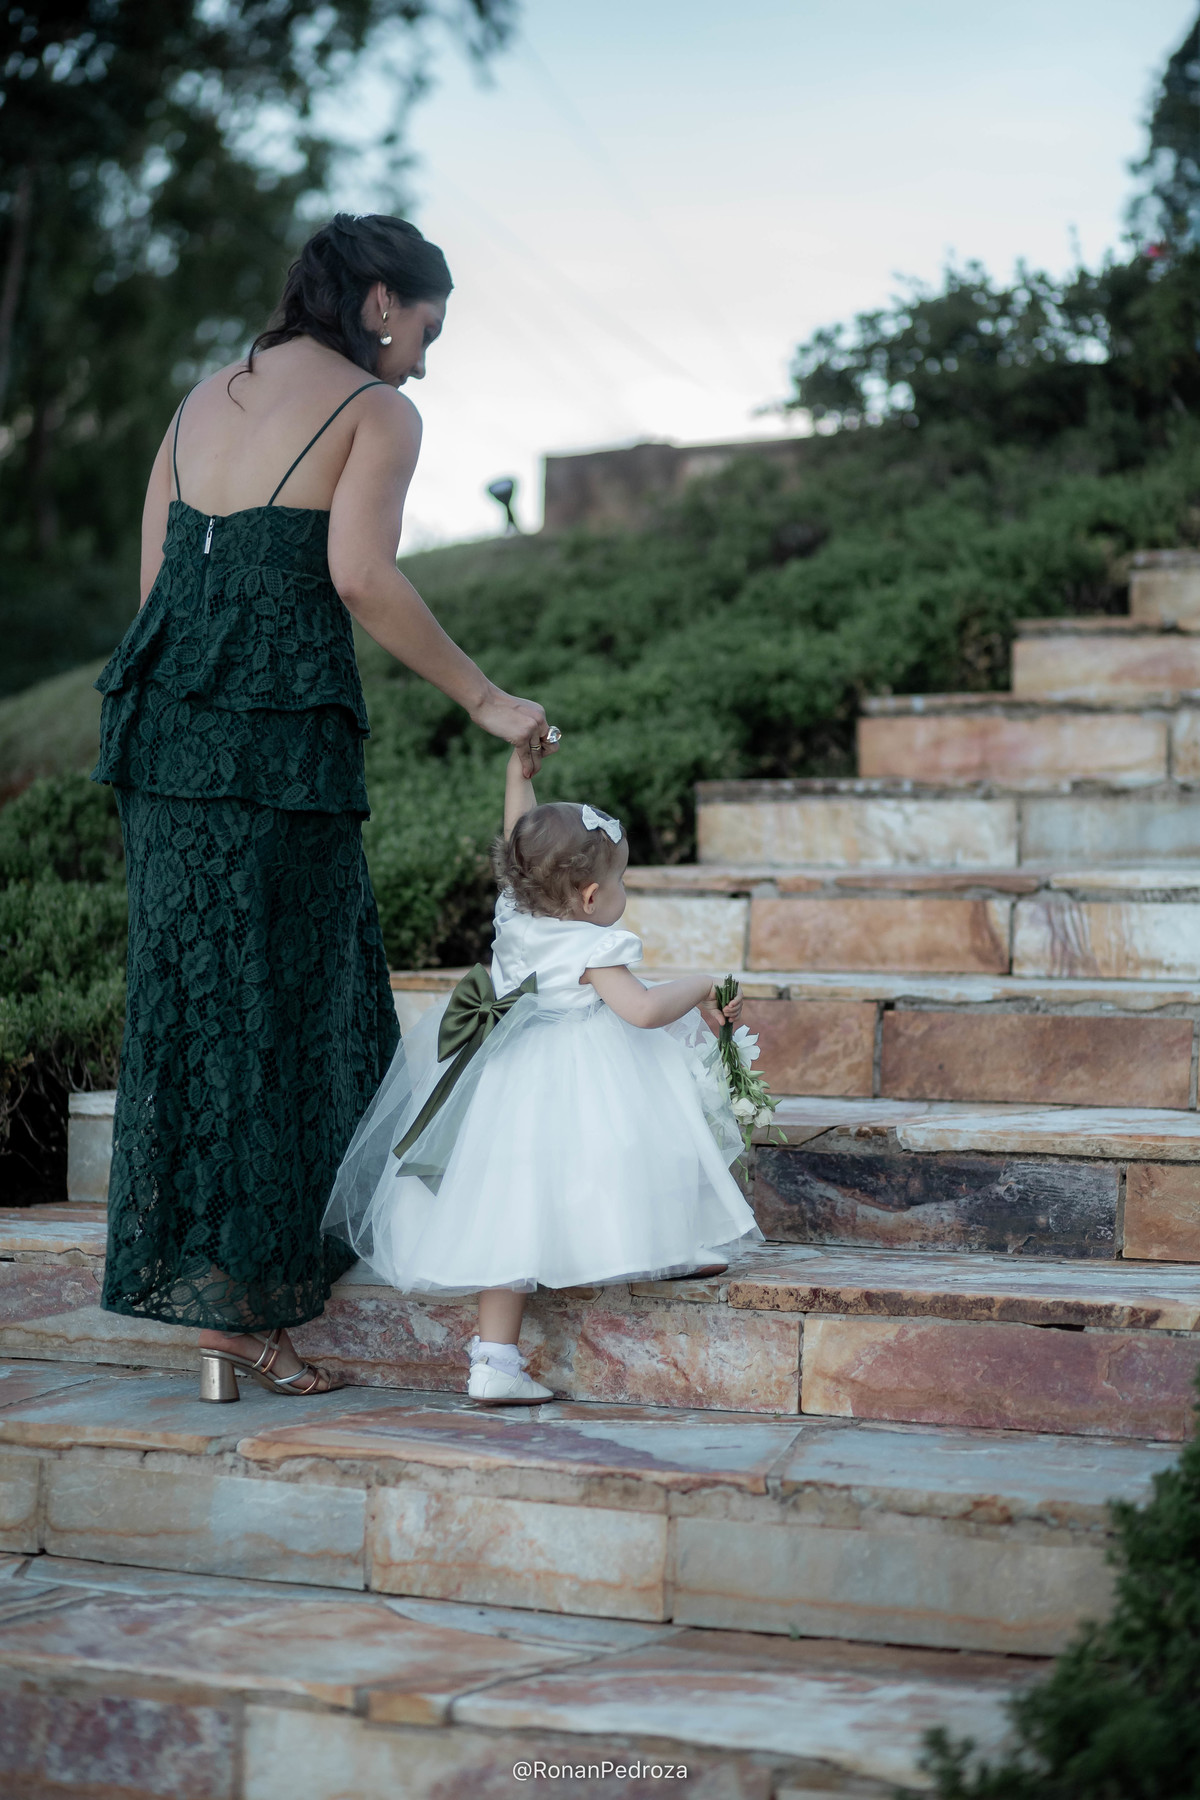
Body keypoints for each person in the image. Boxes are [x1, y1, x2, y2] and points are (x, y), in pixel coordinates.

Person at [92, 213, 557, 1401]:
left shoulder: (198, 402)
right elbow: (359, 574)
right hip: (279, 747)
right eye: (426, 331)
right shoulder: (376, 411)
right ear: (382, 301)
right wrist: (487, 698)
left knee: (199, 1010)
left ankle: (223, 1310)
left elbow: (154, 592)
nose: (424, 362)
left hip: (163, 739)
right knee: (292, 1012)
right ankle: (248, 1312)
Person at [323, 749, 763, 1405]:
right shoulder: (594, 944)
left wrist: (517, 775)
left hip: (501, 1074)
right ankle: (662, 1239)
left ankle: (493, 1359)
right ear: (589, 897)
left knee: (507, 1203)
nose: (623, 893)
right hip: (577, 1068)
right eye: (620, 882)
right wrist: (702, 984)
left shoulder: (515, 908)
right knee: (636, 1138)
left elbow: (518, 842)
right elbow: (643, 1011)